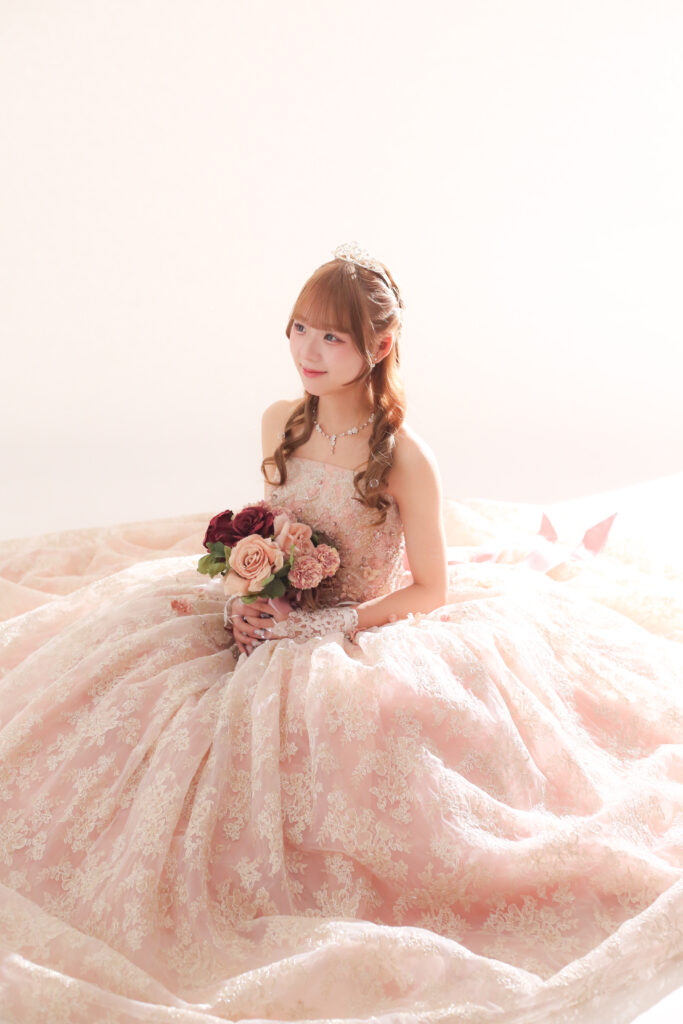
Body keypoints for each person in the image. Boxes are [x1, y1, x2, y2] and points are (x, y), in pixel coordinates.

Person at [0, 243, 682, 1024]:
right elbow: (270, 531)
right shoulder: (279, 423)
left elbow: (430, 588)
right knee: (123, 706)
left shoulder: (403, 456)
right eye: (299, 329)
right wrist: (246, 595)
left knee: (342, 737)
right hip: (277, 614)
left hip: (359, 624)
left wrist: (326, 623)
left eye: (331, 337)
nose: (308, 351)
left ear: (378, 345)